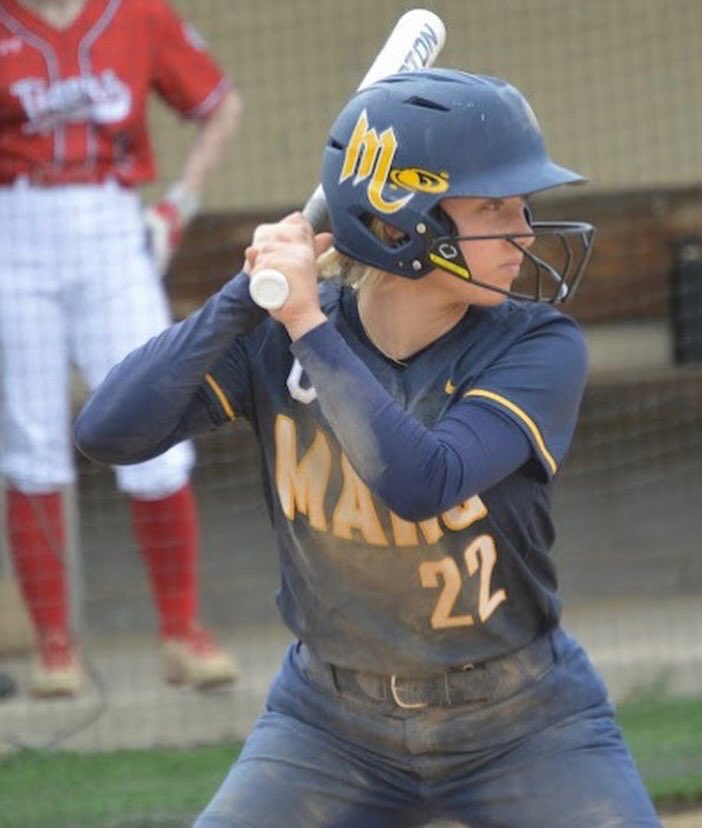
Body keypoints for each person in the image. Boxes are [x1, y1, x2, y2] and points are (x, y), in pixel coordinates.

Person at [75, 69, 661, 827]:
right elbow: (108, 433)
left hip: (523, 721)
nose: (522, 231)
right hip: (327, 726)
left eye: (523, 205)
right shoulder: (281, 334)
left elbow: (423, 481)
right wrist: (242, 297)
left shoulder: (538, 345)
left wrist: (305, 326)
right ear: (401, 226)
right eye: (493, 207)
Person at [0, 0, 242, 697]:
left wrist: (179, 207)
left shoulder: (136, 13)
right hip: (15, 223)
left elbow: (221, 105)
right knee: (31, 437)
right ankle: (54, 647)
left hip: (111, 222)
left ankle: (183, 633)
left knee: (156, 416)